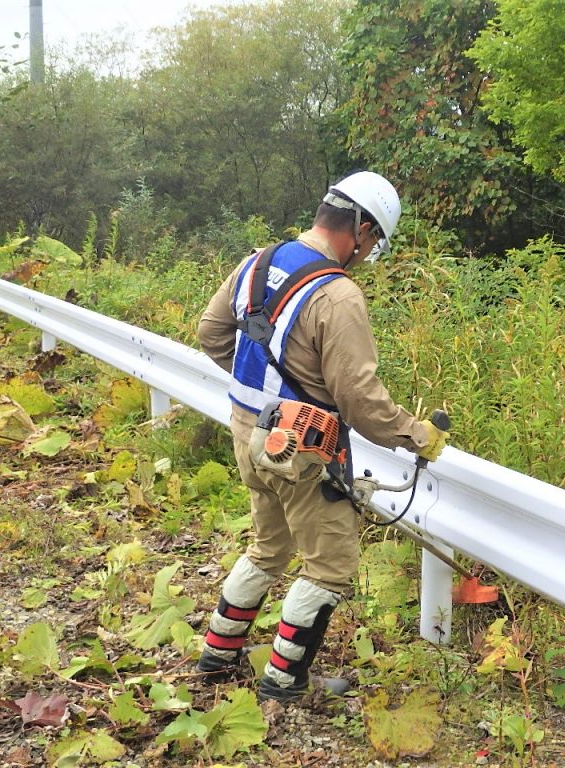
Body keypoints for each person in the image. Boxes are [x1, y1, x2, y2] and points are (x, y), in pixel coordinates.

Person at [194, 171, 448, 703]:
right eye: (373, 240)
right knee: (330, 568)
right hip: (303, 452)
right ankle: (286, 683)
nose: (369, 251)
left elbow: (211, 334)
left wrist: (266, 393)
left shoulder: (257, 262)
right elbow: (358, 398)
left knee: (268, 547)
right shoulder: (338, 295)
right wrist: (415, 434)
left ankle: (218, 653)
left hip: (249, 436)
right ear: (359, 229)